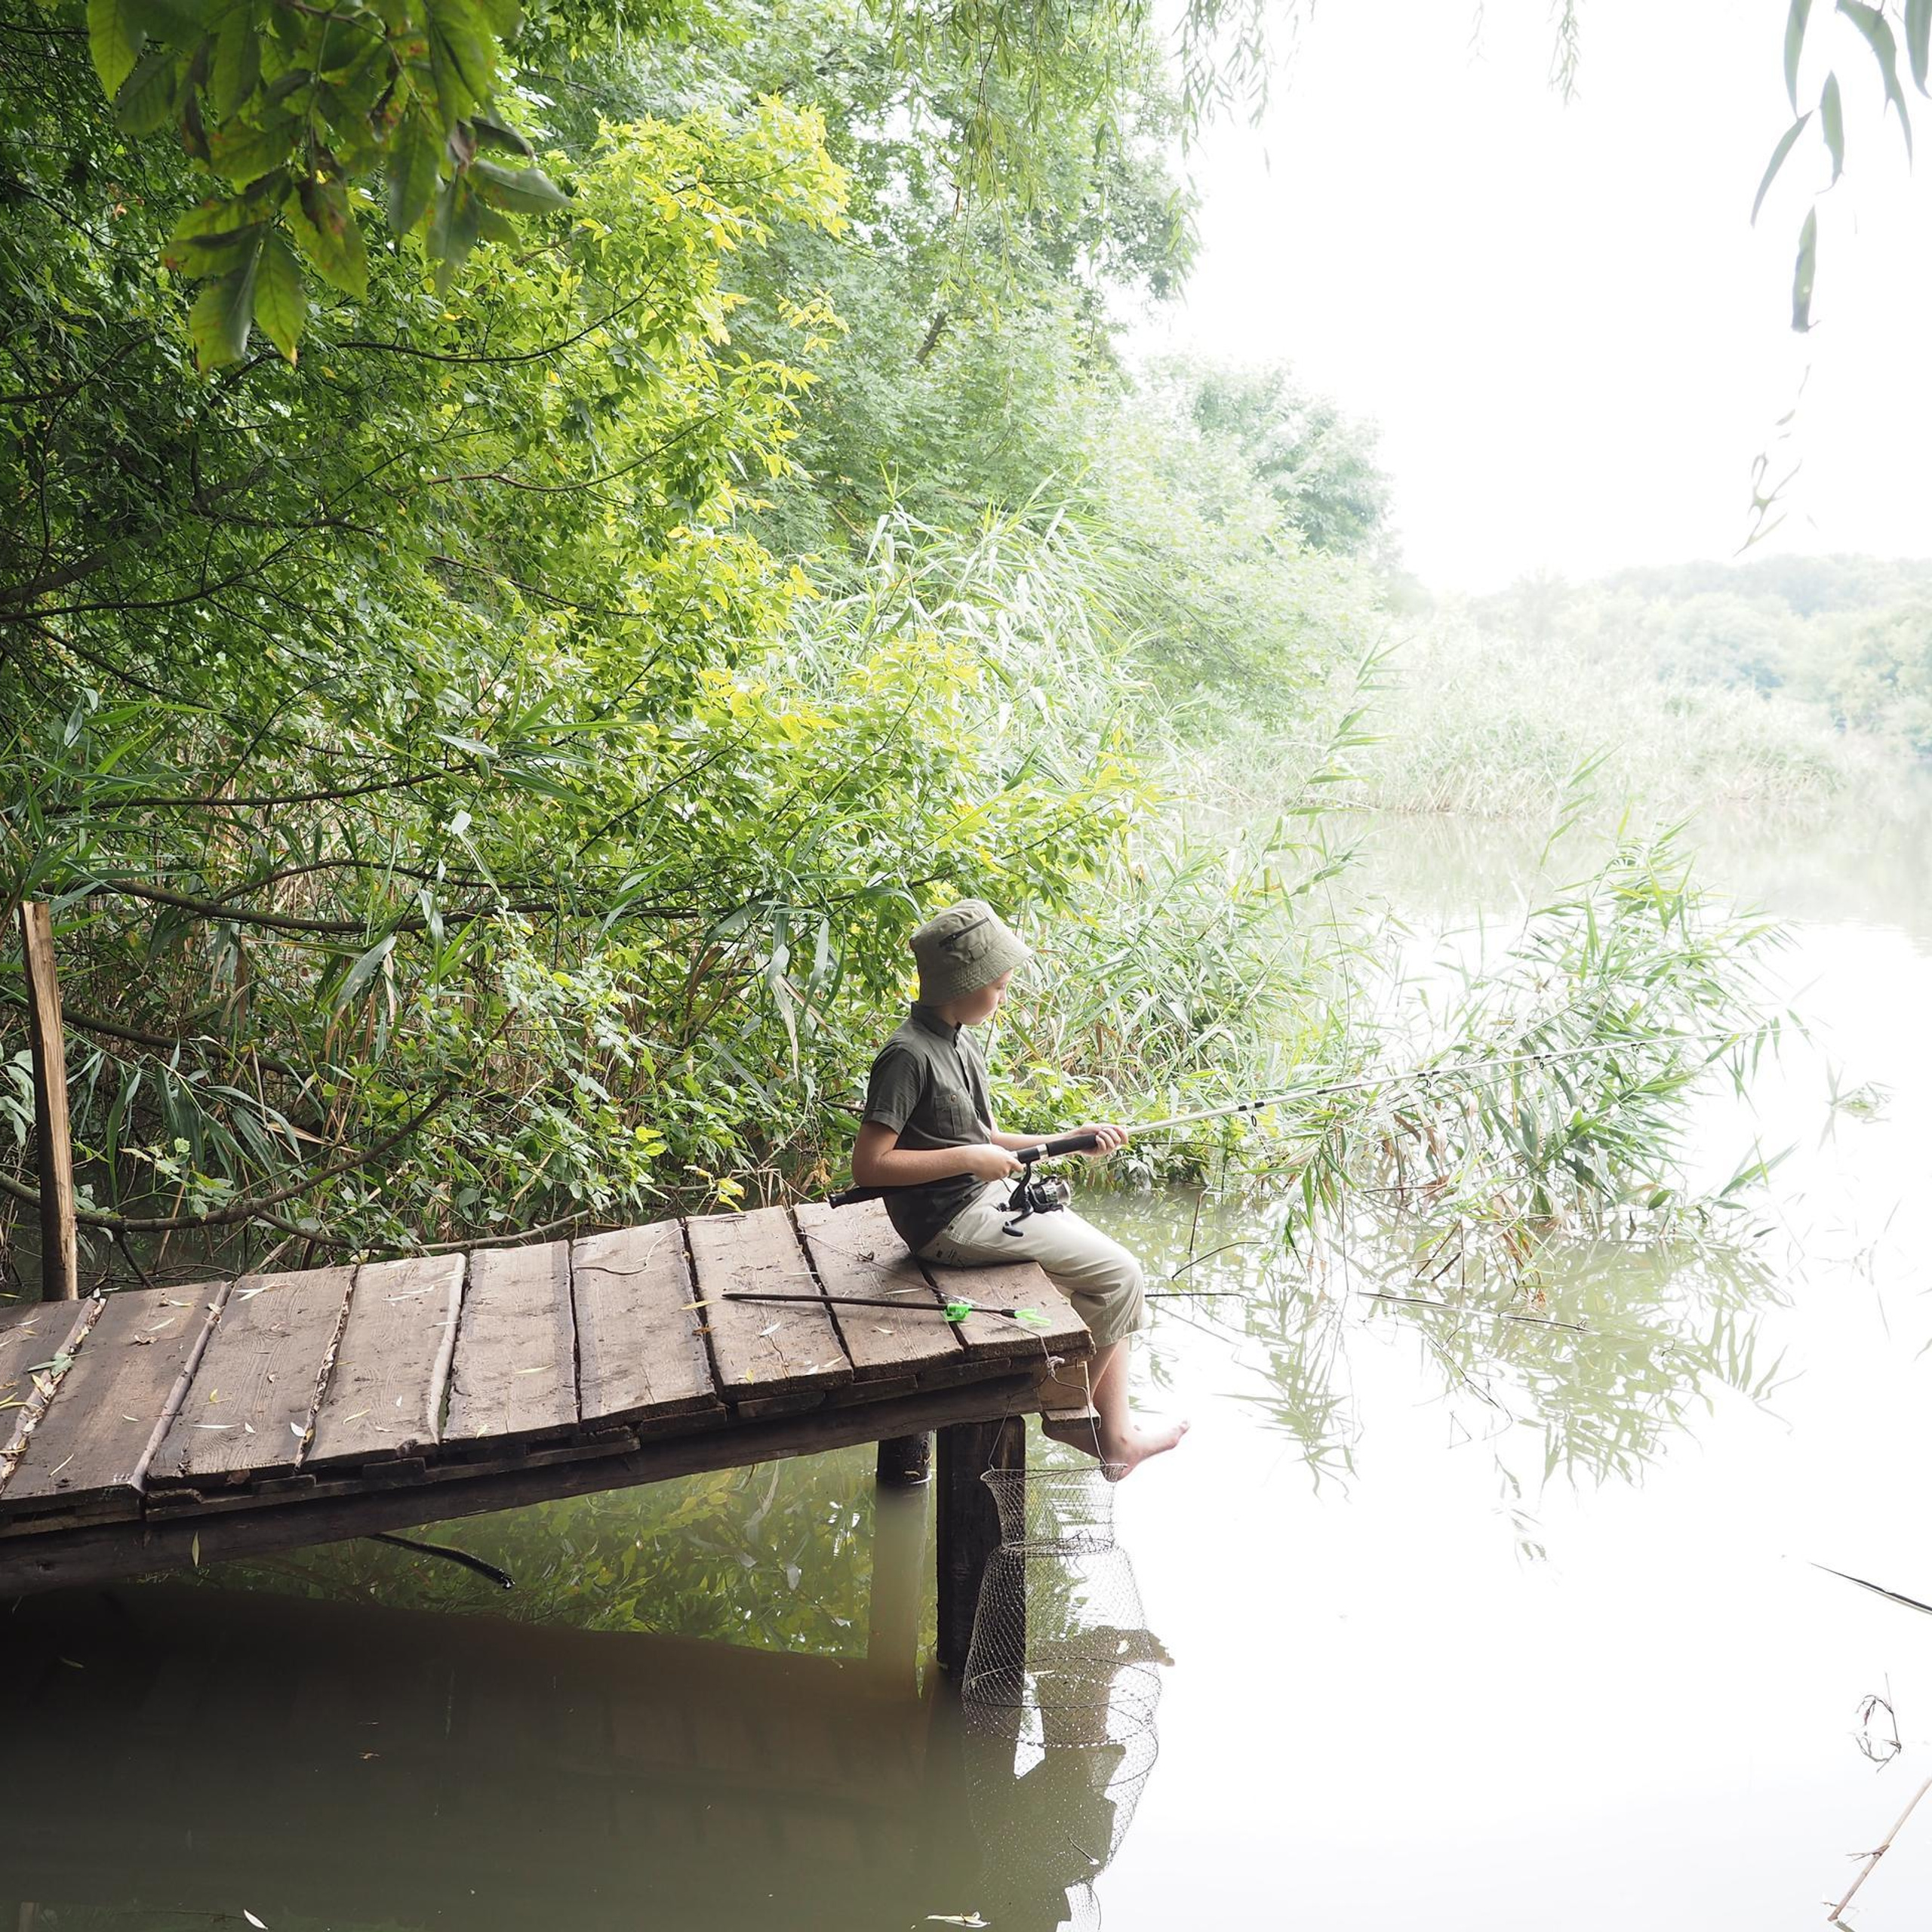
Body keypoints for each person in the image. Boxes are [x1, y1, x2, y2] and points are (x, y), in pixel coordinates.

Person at [850, 899, 1188, 1478]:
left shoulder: (958, 1037)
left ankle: (1116, 1435)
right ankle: (1062, 1406)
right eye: (1000, 987)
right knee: (1122, 1275)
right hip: (946, 1223)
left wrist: (1068, 1138)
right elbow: (870, 1165)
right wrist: (968, 1159)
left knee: (1118, 1281)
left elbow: (981, 1138)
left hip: (983, 1204)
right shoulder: (908, 1055)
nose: (1003, 997)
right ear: (967, 982)